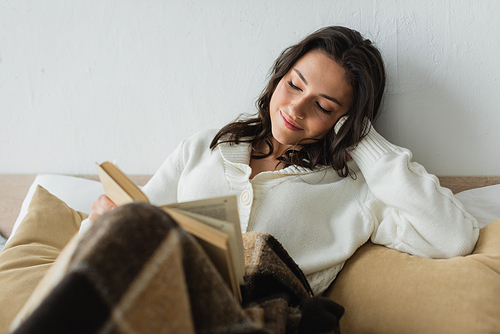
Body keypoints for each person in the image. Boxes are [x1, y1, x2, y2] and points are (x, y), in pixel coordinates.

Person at [86, 26, 479, 296]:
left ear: (346, 120)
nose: (295, 108)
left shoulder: (354, 191)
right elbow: (141, 214)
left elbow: (454, 236)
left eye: (323, 106)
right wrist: (105, 221)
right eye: (294, 84)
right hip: (155, 296)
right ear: (280, 75)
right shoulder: (206, 146)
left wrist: (363, 140)